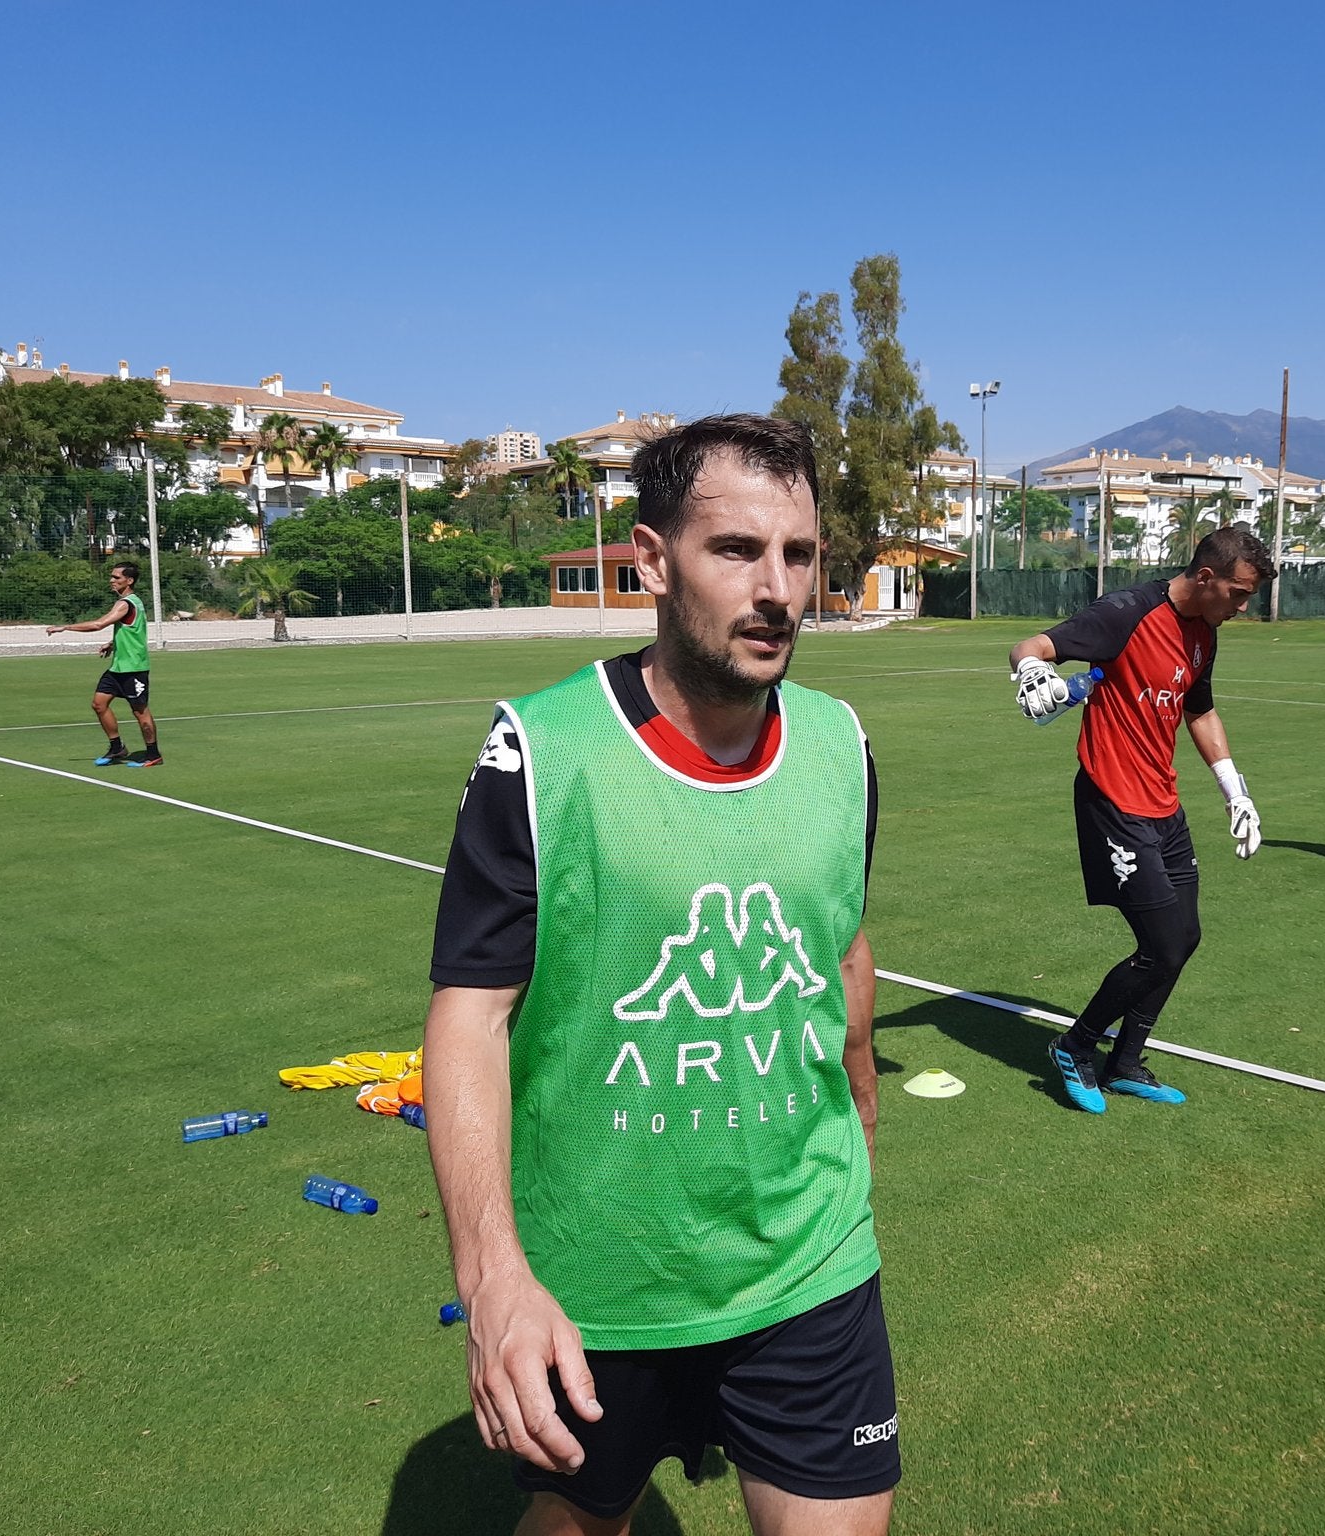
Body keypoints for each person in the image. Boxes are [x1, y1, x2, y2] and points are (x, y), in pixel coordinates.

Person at [423, 414, 895, 1536]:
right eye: (736, 550)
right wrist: (494, 1280)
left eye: (799, 554)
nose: (776, 587)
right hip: (600, 1284)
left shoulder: (841, 744)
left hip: (809, 1263)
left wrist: (858, 1142)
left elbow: (839, 944)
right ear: (650, 561)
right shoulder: (539, 752)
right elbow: (471, 1017)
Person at [1009, 527, 1272, 1114]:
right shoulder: (1126, 613)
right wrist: (1032, 677)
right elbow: (1032, 647)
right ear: (1206, 578)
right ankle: (1075, 1046)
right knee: (1160, 943)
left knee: (1185, 938)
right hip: (1112, 802)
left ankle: (1125, 1060)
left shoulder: (1204, 632)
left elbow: (1198, 709)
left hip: (1163, 805)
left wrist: (1235, 791)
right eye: (1238, 592)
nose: (1243, 606)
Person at [46, 560, 160, 767]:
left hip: (134, 668)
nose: (112, 580)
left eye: (116, 577)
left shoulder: (126, 603)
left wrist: (65, 627)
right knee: (99, 704)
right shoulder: (129, 602)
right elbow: (131, 631)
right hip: (118, 667)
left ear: (129, 580)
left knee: (140, 712)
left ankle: (153, 754)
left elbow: (99, 624)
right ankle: (117, 748)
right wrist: (112, 643)